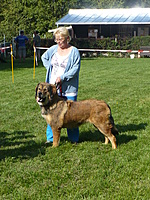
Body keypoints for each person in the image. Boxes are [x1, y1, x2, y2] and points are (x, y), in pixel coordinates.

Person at [41, 26, 81, 145]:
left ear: (67, 38)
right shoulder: (53, 49)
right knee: (51, 113)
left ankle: (73, 139)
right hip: (52, 87)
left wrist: (62, 77)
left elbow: (75, 69)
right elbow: (44, 57)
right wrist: (50, 68)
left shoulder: (74, 51)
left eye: (61, 39)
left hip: (69, 88)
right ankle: (51, 138)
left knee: (71, 114)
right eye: (56, 39)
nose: (58, 42)